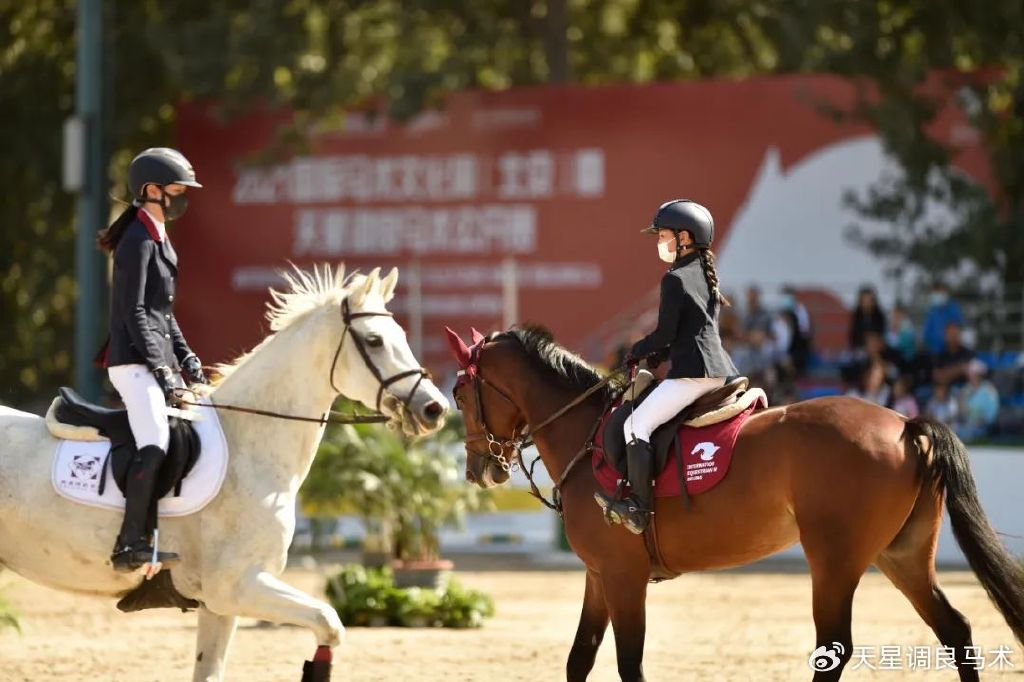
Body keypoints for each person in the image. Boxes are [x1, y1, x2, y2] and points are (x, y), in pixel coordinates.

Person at [94, 147, 208, 572]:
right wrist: (160, 366)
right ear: (151, 190)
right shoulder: (137, 240)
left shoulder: (158, 236)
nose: (182, 197)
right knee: (155, 439)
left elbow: (164, 314)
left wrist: (186, 357)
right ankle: (128, 544)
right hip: (131, 362)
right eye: (177, 189)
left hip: (153, 359)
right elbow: (133, 312)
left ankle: (158, 536)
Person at [594, 199, 738, 534]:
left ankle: (639, 507)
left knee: (635, 426)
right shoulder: (704, 272)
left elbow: (664, 334)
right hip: (719, 370)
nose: (660, 242)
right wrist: (657, 355)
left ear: (684, 237)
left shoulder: (674, 278)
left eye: (663, 235)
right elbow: (688, 331)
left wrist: (638, 350)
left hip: (692, 374)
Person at [955, 359, 1000, 440]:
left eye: (973, 373)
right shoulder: (967, 389)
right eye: (970, 373)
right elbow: (961, 409)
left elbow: (992, 414)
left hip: (984, 425)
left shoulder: (989, 390)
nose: (970, 376)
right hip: (967, 423)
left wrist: (982, 420)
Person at [922, 283, 964, 356]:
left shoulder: (953, 309)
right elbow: (926, 333)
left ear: (946, 293)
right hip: (933, 353)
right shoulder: (932, 311)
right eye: (936, 293)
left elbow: (956, 330)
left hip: (950, 353)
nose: (938, 295)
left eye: (940, 292)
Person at [848, 285, 887, 351]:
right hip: (859, 350)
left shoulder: (879, 316)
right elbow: (853, 336)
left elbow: (881, 334)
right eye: (864, 299)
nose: (867, 303)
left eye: (869, 300)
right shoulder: (856, 316)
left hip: (876, 350)